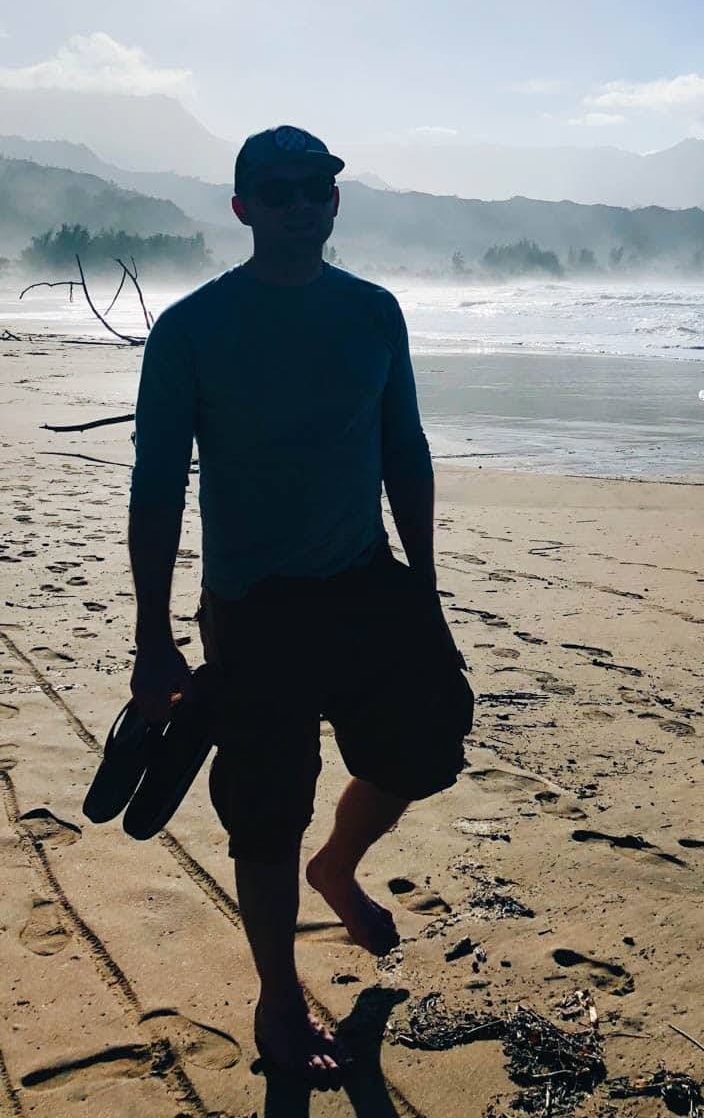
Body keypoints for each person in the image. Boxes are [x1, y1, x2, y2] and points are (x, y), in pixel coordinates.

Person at [127, 124, 471, 1083]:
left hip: (365, 584)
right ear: (243, 207)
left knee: (427, 746)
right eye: (276, 192)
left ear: (334, 200)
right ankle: (279, 1000)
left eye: (315, 188)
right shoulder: (192, 329)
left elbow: (404, 451)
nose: (298, 206)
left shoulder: (372, 313)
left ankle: (338, 868)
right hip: (254, 606)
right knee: (266, 811)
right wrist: (153, 638)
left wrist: (426, 592)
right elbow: (156, 488)